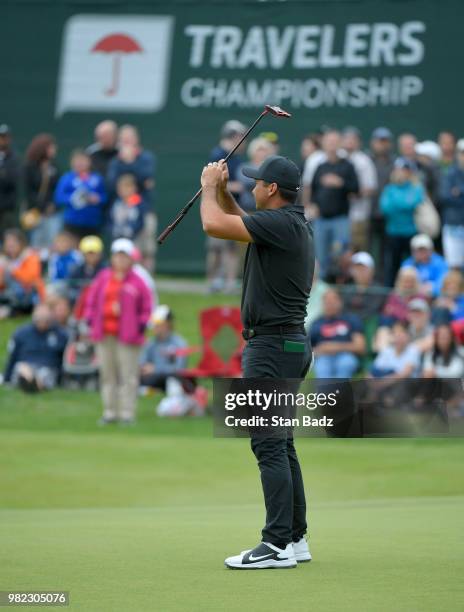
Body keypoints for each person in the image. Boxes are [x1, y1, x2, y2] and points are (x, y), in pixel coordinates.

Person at [199, 155, 313, 568]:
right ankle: (294, 538)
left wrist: (209, 187)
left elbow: (214, 225)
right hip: (287, 344)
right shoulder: (288, 223)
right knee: (281, 443)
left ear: (271, 190)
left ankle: (276, 544)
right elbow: (239, 220)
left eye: (256, 182)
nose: (251, 187)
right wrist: (224, 194)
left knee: (268, 443)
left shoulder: (281, 225)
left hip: (272, 347)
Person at [84, 238, 152, 425]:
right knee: (107, 374)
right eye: (117, 256)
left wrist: (141, 324)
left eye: (124, 256)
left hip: (128, 335)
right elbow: (91, 300)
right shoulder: (103, 277)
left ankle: (127, 413)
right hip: (104, 333)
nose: (120, 260)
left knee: (128, 375)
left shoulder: (138, 280)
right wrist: (90, 318)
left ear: (131, 259)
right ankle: (110, 412)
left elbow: (147, 306)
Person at [308, 129, 359, 280]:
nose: (331, 145)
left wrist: (341, 183)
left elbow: (356, 189)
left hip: (340, 219)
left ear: (340, 144)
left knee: (341, 256)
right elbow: (313, 190)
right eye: (329, 142)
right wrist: (313, 206)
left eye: (335, 142)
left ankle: (339, 289)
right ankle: (323, 291)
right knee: (320, 256)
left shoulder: (347, 166)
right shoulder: (320, 166)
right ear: (323, 144)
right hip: (321, 219)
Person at [206, 120, 248, 293]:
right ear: (234, 137)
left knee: (231, 248)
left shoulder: (237, 158)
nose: (244, 142)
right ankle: (213, 282)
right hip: (218, 207)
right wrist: (232, 186)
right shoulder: (217, 154)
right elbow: (211, 181)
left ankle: (230, 283)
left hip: (232, 208)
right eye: (241, 137)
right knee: (216, 248)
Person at [107, 125, 156, 272]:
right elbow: (112, 184)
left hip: (144, 210)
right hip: (121, 212)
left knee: (146, 250)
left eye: (130, 138)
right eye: (124, 139)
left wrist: (130, 162)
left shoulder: (146, 158)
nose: (127, 142)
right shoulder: (115, 161)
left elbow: (146, 179)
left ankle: (146, 280)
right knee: (122, 250)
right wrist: (125, 163)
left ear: (136, 140)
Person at [380, 158, 425, 287]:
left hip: (412, 233)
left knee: (413, 267)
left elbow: (412, 203)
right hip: (393, 233)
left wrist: (398, 204)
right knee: (392, 268)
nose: (401, 173)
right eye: (398, 170)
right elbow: (386, 208)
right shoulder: (389, 188)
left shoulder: (416, 187)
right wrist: (403, 205)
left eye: (404, 170)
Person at [3, 303, 68, 392]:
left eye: (45, 318)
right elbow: (13, 356)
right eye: (40, 317)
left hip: (48, 368)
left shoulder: (60, 334)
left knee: (45, 373)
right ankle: (32, 382)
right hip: (25, 365)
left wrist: (62, 379)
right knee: (22, 368)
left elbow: (63, 358)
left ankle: (33, 383)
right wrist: (7, 378)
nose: (42, 321)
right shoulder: (21, 333)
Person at [311, 288, 366, 379]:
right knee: (322, 367)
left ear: (341, 302)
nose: (330, 304)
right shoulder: (317, 323)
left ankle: (339, 393)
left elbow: (361, 347)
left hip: (346, 355)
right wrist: (320, 350)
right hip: (323, 357)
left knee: (345, 363)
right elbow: (308, 350)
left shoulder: (351, 319)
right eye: (327, 301)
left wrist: (335, 347)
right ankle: (327, 393)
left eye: (333, 301)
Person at [54, 149, 107, 239]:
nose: (80, 163)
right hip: (72, 222)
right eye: (77, 161)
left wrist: (97, 199)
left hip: (92, 223)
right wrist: (73, 198)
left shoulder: (97, 178)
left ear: (89, 162)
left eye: (83, 160)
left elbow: (104, 197)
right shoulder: (67, 178)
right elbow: (58, 197)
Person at [23, 133, 62, 253]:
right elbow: (27, 191)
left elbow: (58, 189)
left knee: (52, 245)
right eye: (51, 147)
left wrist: (53, 205)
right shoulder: (29, 167)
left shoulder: (54, 167)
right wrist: (43, 206)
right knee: (35, 245)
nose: (54, 150)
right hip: (35, 213)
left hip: (52, 214)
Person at [341, 127, 377, 251]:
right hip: (338, 215)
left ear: (359, 142)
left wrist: (354, 193)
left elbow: (371, 188)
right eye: (347, 138)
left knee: (358, 250)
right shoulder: (338, 157)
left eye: (353, 139)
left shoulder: (364, 161)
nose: (350, 142)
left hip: (358, 215)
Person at [139, 305, 188, 391]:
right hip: (151, 377)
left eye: (157, 324)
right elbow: (143, 361)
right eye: (154, 324)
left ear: (167, 324)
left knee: (170, 378)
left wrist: (156, 369)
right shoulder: (151, 343)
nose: (154, 327)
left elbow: (179, 368)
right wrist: (143, 368)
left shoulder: (179, 343)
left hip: (169, 378)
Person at [0, 228, 45, 318]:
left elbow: (30, 278)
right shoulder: (4, 259)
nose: (10, 244)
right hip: (8, 294)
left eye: (13, 241)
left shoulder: (30, 256)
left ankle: (13, 311)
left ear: (21, 242)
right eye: (7, 241)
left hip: (29, 295)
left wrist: (13, 269)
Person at [369, 127, 394, 279]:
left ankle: (384, 282)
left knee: (387, 254)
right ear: (373, 143)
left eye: (385, 141)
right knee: (368, 250)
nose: (382, 145)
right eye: (379, 141)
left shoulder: (396, 162)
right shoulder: (366, 160)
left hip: (389, 215)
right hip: (369, 213)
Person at [439, 139, 464, 269]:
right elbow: (445, 197)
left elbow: (453, 195)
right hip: (453, 226)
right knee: (453, 266)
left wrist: (459, 191)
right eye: (462, 153)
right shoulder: (450, 173)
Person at [341, 252, 387, 318]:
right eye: (357, 269)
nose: (360, 272)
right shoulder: (347, 289)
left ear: (372, 271)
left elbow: (372, 311)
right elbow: (343, 309)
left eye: (363, 269)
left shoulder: (378, 290)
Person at [401, 234, 448, 298]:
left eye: (424, 249)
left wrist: (433, 288)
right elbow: (401, 284)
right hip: (412, 296)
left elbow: (443, 282)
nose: (421, 253)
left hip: (434, 297)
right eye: (419, 250)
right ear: (413, 251)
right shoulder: (408, 264)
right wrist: (418, 287)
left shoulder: (440, 263)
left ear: (431, 250)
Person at [237, 138, 274, 213]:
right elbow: (246, 182)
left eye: (265, 150)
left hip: (267, 210)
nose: (262, 153)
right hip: (247, 208)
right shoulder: (244, 167)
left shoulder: (272, 167)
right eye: (259, 150)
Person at [68, 235, 105, 304]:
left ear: (100, 254)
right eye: (88, 253)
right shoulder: (77, 270)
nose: (91, 256)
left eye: (93, 253)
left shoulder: (105, 270)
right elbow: (71, 289)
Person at [109, 174, 146, 241]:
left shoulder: (139, 202)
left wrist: (131, 229)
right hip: (117, 237)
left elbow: (141, 223)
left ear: (134, 188)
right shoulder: (116, 203)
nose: (122, 190)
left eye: (126, 187)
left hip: (135, 238)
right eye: (120, 187)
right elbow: (110, 220)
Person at [0, 124, 20, 238]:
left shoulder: (13, 157)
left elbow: (11, 179)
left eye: (4, 137)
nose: (2, 140)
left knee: (8, 236)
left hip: (7, 207)